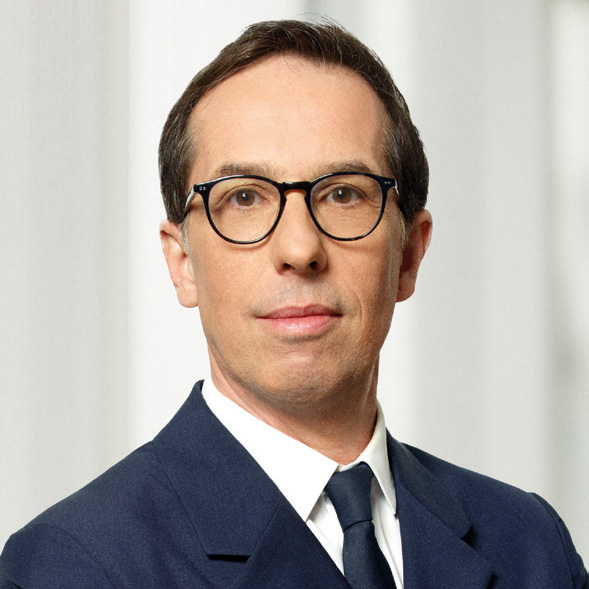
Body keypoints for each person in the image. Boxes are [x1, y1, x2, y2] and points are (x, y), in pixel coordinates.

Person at [0, 19, 586, 589]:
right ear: (182, 264)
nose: (300, 249)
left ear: (408, 255)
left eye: (343, 193)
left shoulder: (531, 543)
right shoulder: (75, 565)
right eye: (244, 198)